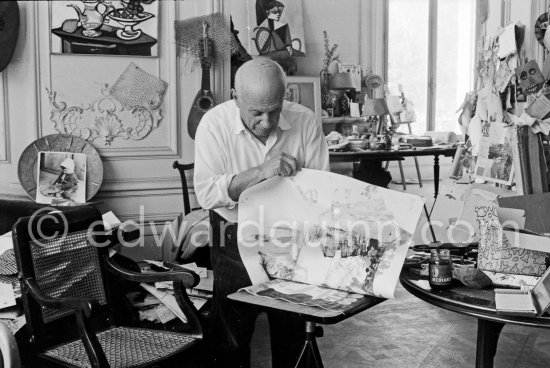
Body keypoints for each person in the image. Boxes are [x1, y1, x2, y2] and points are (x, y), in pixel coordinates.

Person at [194, 57, 329, 368]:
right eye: (256, 113)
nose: (267, 123)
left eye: (275, 110)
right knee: (232, 336)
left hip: (291, 237)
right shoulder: (213, 125)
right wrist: (262, 171)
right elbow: (206, 193)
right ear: (235, 97)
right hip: (233, 235)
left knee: (293, 331)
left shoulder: (305, 121)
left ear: (286, 98)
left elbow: (321, 191)